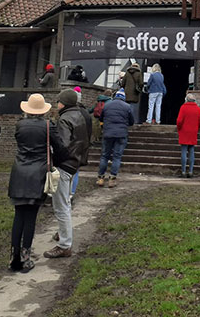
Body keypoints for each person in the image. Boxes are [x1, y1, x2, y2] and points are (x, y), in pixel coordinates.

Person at [7, 93, 67, 273]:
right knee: (30, 217)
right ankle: (26, 257)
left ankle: (14, 257)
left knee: (18, 215)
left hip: (19, 171)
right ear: (43, 111)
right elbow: (60, 147)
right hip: (38, 172)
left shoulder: (19, 126)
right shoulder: (49, 126)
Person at [44, 89, 90, 259]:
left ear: (63, 103)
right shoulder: (81, 115)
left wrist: (54, 162)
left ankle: (64, 245)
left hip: (64, 164)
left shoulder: (64, 119)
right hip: (74, 163)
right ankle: (64, 232)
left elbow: (61, 145)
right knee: (66, 201)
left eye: (58, 101)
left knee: (60, 205)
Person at [96, 88, 134, 188]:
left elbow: (101, 118)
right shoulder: (127, 107)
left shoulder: (107, 105)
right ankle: (112, 179)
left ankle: (100, 178)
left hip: (108, 133)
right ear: (123, 98)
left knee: (104, 156)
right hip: (121, 134)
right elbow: (131, 121)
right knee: (117, 157)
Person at [177, 94, 200, 178]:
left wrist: (179, 128)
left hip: (184, 131)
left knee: (184, 151)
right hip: (193, 131)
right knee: (191, 151)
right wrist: (196, 127)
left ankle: (183, 171)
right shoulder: (197, 109)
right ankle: (191, 171)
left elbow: (179, 121)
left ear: (187, 99)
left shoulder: (183, 108)